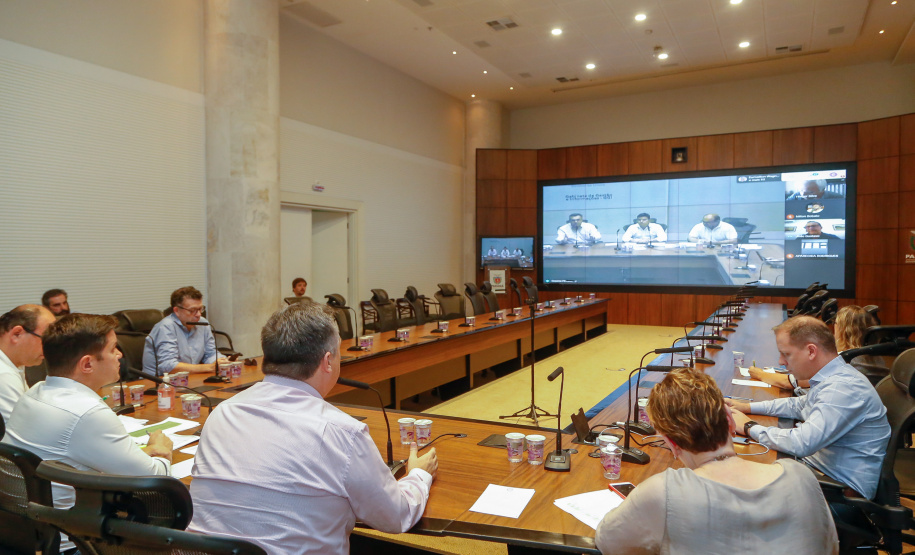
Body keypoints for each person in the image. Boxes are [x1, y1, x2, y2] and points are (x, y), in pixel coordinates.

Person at [189, 301, 438, 554]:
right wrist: (418, 474)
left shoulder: (222, 413)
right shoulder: (342, 432)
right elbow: (395, 516)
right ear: (328, 361)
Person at [595, 367, 837, 555]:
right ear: (731, 422)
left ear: (671, 443)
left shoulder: (664, 491)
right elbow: (831, 547)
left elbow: (609, 542)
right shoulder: (801, 475)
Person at [2, 313, 172, 553]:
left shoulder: (36, 392)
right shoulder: (87, 412)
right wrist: (162, 451)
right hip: (78, 543)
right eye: (113, 349)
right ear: (87, 364)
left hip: (32, 533)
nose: (120, 355)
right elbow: (155, 482)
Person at [727, 316, 890, 499]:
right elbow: (797, 405)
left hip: (838, 491)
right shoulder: (832, 377)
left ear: (811, 351)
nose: (781, 361)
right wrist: (746, 407)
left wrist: (749, 427)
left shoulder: (842, 388)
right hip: (819, 472)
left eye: (786, 354)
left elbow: (801, 443)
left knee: (738, 486)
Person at [749, 305, 884, 390]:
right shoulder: (875, 356)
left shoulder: (844, 358)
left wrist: (758, 373)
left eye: (835, 323)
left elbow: (793, 382)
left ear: (844, 329)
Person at [142, 286, 223, 375]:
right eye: (192, 310)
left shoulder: (203, 323)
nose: (198, 314)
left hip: (188, 379)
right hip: (157, 383)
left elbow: (210, 353)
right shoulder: (166, 327)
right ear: (177, 311)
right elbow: (168, 366)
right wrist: (207, 367)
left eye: (200, 309)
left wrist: (221, 361)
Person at [0, 305, 56, 421]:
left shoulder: (15, 362)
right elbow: (19, 432)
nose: (49, 349)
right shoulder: (4, 375)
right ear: (17, 334)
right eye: (45, 340)